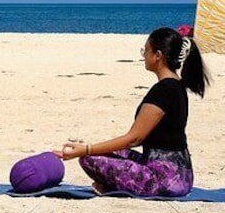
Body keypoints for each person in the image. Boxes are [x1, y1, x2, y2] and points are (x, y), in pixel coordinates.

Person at [55, 27, 210, 197]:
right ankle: (111, 184)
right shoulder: (177, 86)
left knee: (89, 159)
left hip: (166, 179)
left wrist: (85, 150)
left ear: (157, 55)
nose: (144, 55)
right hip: (180, 174)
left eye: (146, 50)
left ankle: (113, 186)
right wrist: (91, 148)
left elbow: (134, 138)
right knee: (104, 153)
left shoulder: (163, 90)